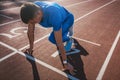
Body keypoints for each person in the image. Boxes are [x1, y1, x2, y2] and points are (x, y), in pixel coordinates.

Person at [20, 1, 75, 74]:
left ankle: (69, 37)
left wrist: (65, 63)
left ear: (39, 13)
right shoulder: (33, 9)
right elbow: (30, 32)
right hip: (59, 13)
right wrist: (31, 47)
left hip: (67, 19)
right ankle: (68, 32)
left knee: (53, 39)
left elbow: (59, 42)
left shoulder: (53, 14)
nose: (32, 24)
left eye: (33, 22)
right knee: (55, 35)